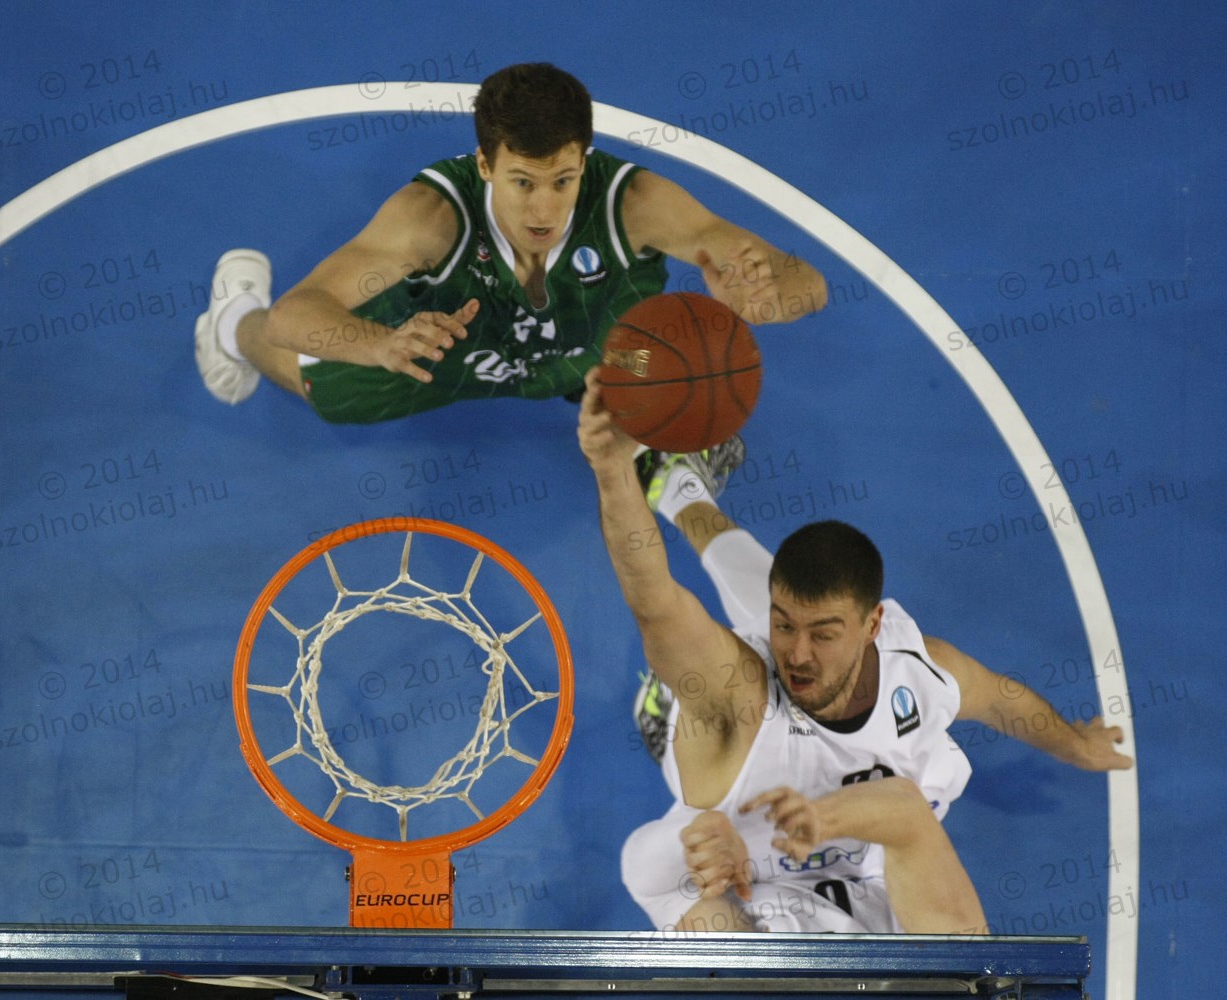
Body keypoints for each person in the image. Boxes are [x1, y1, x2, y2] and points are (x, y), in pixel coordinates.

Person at [576, 369, 1133, 933]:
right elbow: (654, 603)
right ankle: (678, 520)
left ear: (873, 625)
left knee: (768, 607)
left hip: (839, 871)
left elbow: (995, 698)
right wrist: (612, 471)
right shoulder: (744, 689)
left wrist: (1074, 745)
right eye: (785, 626)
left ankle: (678, 488)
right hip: (745, 772)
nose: (798, 653)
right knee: (738, 652)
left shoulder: (917, 671)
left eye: (823, 633)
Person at [193, 63, 827, 423]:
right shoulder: (431, 219)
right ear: (486, 165)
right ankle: (230, 319)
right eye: (523, 181)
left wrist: (768, 299)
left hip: (592, 346)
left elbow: (809, 283)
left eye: (563, 179)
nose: (544, 209)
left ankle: (639, 442)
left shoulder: (636, 204)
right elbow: (294, 317)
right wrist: (380, 343)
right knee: (310, 381)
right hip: (439, 359)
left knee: (683, 375)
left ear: (585, 159)